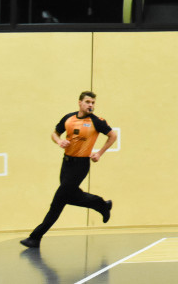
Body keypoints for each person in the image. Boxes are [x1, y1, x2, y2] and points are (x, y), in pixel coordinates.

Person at [20, 91, 117, 249]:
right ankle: (101, 204)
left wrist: (99, 153)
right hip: (66, 164)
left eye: (93, 102)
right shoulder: (68, 118)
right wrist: (59, 141)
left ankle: (35, 237)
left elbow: (113, 135)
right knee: (68, 197)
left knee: (58, 201)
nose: (91, 105)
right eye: (87, 102)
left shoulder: (96, 121)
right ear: (80, 103)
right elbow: (55, 133)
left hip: (81, 165)